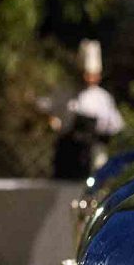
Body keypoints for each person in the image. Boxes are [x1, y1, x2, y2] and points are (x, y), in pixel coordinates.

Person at [51, 39, 125, 179]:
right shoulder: (68, 93)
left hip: (92, 150)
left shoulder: (103, 98)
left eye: (92, 75)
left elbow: (115, 126)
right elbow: (56, 116)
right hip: (68, 150)